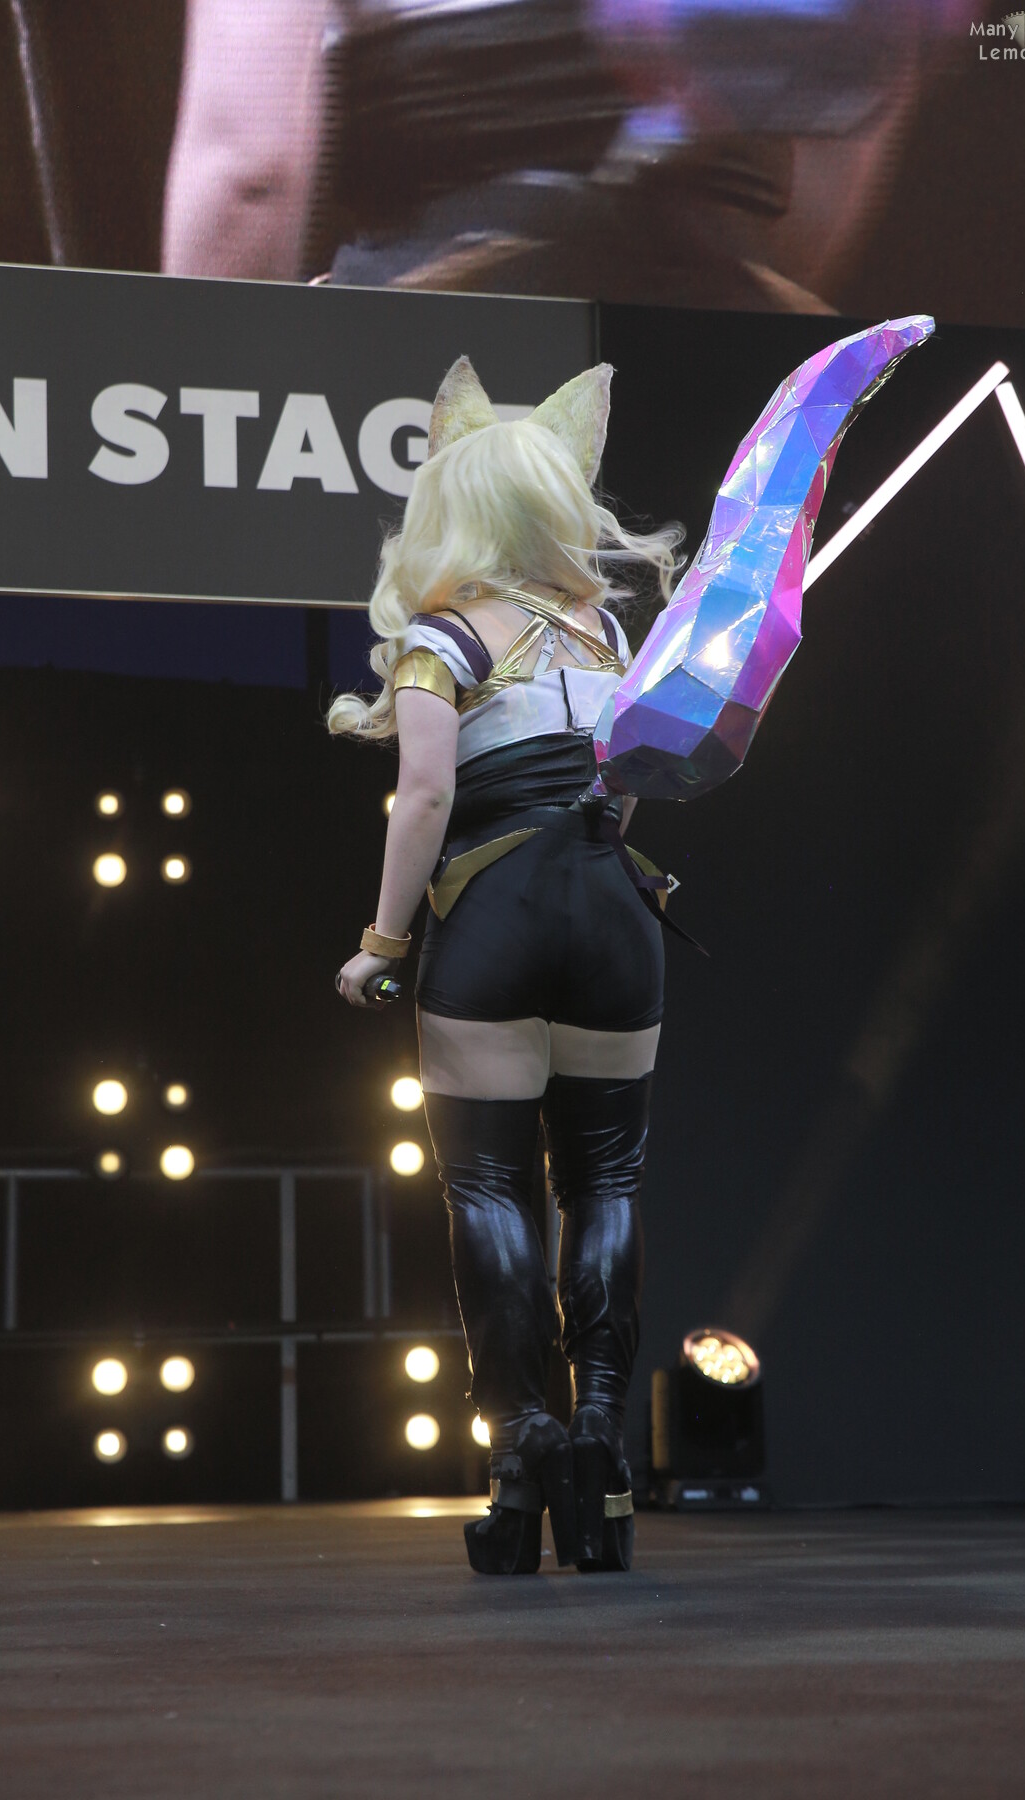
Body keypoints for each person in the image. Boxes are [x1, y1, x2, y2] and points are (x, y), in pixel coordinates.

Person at [331, 355, 683, 1575]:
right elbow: (629, 791)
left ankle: (522, 1449)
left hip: (495, 913)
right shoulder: (611, 629)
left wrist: (382, 946)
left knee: (488, 1188)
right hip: (614, 910)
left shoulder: (441, 637)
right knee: (607, 1179)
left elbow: (425, 795)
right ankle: (602, 1446)